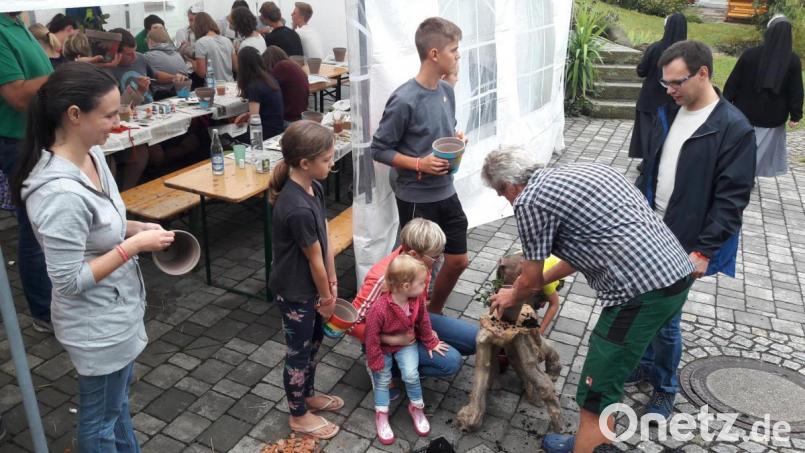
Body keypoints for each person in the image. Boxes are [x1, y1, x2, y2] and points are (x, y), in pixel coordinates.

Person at [480, 147, 695, 453]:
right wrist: (537, 280)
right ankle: (586, 441)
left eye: (501, 192)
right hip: (676, 273)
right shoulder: (588, 171)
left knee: (596, 392)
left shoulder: (529, 200)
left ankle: (591, 442)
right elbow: (585, 249)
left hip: (639, 296)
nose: (505, 199)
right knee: (612, 377)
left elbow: (527, 281)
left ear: (509, 186)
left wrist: (511, 292)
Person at [13, 61, 175, 453]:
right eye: (109, 115)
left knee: (116, 408)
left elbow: (100, 228)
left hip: (115, 312)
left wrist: (135, 228)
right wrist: (132, 246)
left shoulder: (93, 156)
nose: (117, 122)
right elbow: (68, 281)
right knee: (100, 421)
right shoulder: (58, 194)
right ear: (74, 115)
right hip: (96, 326)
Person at [632, 40, 756, 420]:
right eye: (666, 83)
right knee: (645, 304)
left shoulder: (733, 128)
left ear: (703, 73)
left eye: (676, 82)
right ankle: (649, 364)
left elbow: (731, 200)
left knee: (665, 318)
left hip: (685, 240)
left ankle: (665, 387)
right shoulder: (669, 112)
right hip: (651, 227)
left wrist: (703, 250)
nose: (669, 90)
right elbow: (650, 168)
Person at [371, 17, 468, 314]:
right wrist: (419, 164)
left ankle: (433, 311)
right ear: (434, 54)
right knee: (415, 267)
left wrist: (457, 141)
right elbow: (379, 149)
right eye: (454, 50)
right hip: (415, 196)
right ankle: (405, 316)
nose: (458, 56)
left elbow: (442, 132)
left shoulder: (446, 91)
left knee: (458, 259)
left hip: (445, 189)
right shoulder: (403, 99)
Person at [267, 120, 342, 440]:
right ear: (305, 163)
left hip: (314, 286)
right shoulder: (294, 205)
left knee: (313, 345)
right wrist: (326, 298)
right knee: (298, 351)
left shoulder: (316, 186)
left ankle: (307, 395)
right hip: (296, 291)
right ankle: (298, 415)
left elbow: (323, 235)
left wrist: (334, 280)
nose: (332, 164)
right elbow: (312, 258)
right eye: (327, 159)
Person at [350, 218, 477, 379]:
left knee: (475, 338)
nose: (439, 260)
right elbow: (351, 325)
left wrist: (427, 332)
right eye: (435, 257)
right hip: (384, 334)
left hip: (410, 323)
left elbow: (420, 305)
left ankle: (414, 357)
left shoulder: (420, 264)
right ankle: (383, 368)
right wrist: (393, 339)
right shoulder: (381, 278)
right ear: (413, 254)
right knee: (451, 362)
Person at [0, 11, 54, 333]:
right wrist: (63, 75)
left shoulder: (17, 24)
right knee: (35, 226)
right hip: (17, 141)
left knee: (46, 221)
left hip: (37, 136)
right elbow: (18, 95)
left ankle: (54, 300)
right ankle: (44, 312)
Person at [365, 254, 445, 444]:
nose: (425, 286)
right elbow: (371, 335)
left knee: (411, 374)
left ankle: (417, 408)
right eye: (422, 283)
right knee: (382, 379)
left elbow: (423, 321)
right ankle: (381, 415)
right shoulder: (380, 308)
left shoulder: (415, 300)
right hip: (383, 348)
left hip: (406, 345)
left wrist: (430, 341)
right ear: (406, 286)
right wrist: (374, 359)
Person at [724, 15, 803, 177]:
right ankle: (745, 177)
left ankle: (736, 176)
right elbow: (796, 90)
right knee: (758, 152)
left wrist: (725, 102)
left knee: (740, 147)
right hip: (772, 118)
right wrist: (796, 114)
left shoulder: (750, 54)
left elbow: (733, 82)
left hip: (743, 112)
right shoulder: (793, 60)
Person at [628, 12, 687, 160]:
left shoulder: (655, 48)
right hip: (675, 101)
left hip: (650, 100)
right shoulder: (688, 54)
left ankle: (648, 163)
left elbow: (642, 71)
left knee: (648, 134)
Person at [234, 47, 284, 138]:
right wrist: (247, 114)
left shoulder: (254, 86)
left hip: (265, 134)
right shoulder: (270, 79)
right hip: (277, 129)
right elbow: (267, 110)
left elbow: (254, 120)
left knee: (225, 138)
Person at [263, 45, 309, 122]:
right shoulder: (292, 64)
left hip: (289, 118)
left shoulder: (281, 66)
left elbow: (266, 87)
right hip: (300, 114)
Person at [144, 27, 188, 100]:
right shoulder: (178, 55)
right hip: (182, 94)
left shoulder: (147, 56)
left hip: (161, 97)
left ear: (150, 41)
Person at [192, 12, 237, 82]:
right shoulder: (227, 40)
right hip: (230, 85)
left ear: (197, 27)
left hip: (214, 88)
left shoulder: (200, 43)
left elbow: (202, 73)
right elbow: (235, 67)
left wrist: (192, 62)